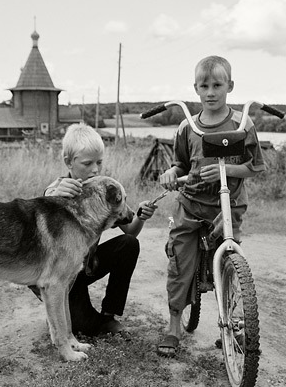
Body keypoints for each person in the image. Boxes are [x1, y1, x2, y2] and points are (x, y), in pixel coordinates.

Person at [157, 55, 266, 357]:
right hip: (191, 205)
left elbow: (255, 167)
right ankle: (174, 324)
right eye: (204, 86)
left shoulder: (242, 125)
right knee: (180, 263)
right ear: (195, 89)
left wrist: (226, 171)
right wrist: (170, 174)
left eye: (217, 85)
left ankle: (233, 322)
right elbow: (180, 164)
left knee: (231, 263)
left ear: (230, 86)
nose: (211, 92)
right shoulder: (188, 127)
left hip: (226, 208)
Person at [43, 123, 158, 337]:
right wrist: (55, 196)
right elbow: (45, 204)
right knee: (85, 328)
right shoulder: (57, 189)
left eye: (99, 162)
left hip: (87, 267)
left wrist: (141, 216)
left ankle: (109, 315)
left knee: (128, 245)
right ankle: (60, 306)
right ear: (68, 162)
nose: (95, 169)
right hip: (63, 275)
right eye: (87, 163)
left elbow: (130, 231)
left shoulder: (104, 191)